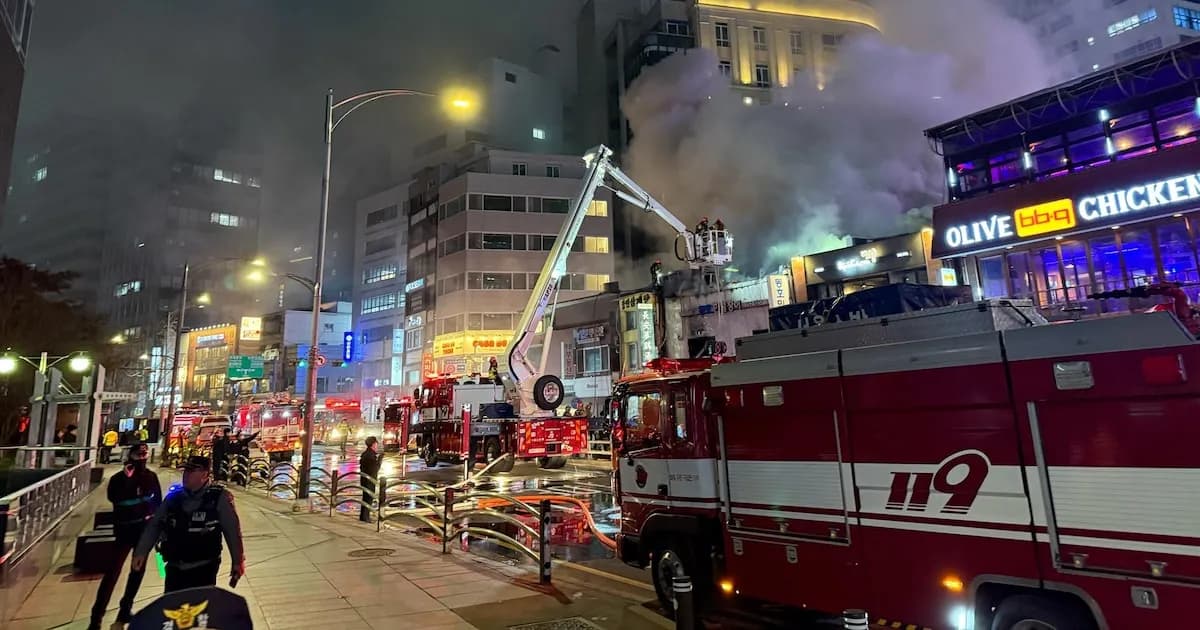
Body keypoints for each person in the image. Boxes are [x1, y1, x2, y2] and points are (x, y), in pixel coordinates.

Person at [132, 456, 245, 593]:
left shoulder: (219, 498)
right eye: (185, 470)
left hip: (204, 567)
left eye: (191, 471)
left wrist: (237, 561)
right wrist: (141, 552)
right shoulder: (174, 498)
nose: (186, 475)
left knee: (199, 604)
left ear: (204, 474)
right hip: (174, 566)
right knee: (172, 603)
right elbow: (155, 525)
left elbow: (232, 531)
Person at [87, 442, 162, 630]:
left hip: (143, 532)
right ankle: (96, 618)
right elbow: (115, 498)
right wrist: (128, 480)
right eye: (139, 455)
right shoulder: (118, 479)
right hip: (123, 531)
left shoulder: (151, 477)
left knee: (137, 572)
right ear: (130, 456)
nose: (142, 458)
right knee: (112, 573)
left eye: (145, 455)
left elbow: (158, 504)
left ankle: (125, 609)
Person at [358, 436, 381, 523]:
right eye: (376, 443)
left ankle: (363, 516)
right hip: (369, 480)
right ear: (373, 444)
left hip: (364, 479)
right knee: (368, 498)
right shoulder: (371, 455)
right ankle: (365, 517)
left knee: (365, 497)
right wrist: (379, 460)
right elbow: (374, 469)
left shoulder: (366, 454)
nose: (377, 445)